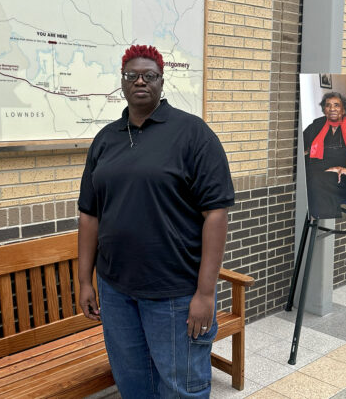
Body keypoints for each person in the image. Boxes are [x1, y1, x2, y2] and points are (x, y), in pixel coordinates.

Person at [77, 44, 233, 398]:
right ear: (122, 81)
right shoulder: (105, 140)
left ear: (162, 81)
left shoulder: (193, 134)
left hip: (174, 293)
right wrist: (85, 281)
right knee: (134, 385)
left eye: (149, 75)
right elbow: (89, 214)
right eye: (131, 75)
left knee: (181, 389)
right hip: (116, 291)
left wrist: (205, 293)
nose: (140, 81)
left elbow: (216, 213)